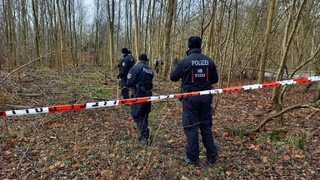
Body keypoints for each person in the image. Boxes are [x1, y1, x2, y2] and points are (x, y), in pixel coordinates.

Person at [170, 36, 219, 166]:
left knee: (191, 127)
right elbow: (215, 80)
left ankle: (192, 157)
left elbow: (173, 77)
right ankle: (211, 156)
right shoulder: (209, 61)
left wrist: (175, 67)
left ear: (189, 46)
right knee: (206, 126)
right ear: (200, 45)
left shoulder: (184, 61)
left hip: (190, 99)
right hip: (206, 98)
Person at [127, 53, 154, 145]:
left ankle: (145, 135)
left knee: (136, 114)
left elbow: (129, 81)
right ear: (146, 60)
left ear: (139, 59)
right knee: (145, 114)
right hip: (148, 94)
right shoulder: (149, 69)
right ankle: (145, 134)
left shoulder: (135, 68)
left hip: (139, 94)